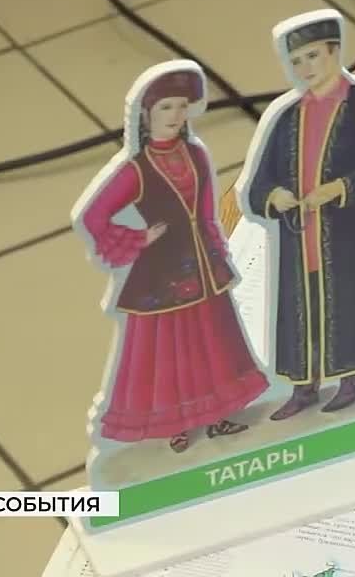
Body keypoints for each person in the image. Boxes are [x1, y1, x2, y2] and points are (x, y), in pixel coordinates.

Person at [73, 63, 269, 454]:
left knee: (211, 341)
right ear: (146, 114)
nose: (175, 115)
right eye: (166, 107)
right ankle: (176, 425)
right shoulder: (136, 169)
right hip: (161, 274)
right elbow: (91, 217)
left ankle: (217, 415)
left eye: (181, 106)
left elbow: (208, 213)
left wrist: (219, 253)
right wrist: (138, 238)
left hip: (203, 266)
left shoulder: (196, 154)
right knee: (170, 352)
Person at [241, 11, 355, 419]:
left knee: (347, 299)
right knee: (301, 306)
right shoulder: (288, 117)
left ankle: (351, 379)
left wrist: (338, 188)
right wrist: (275, 195)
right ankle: (304, 386)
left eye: (312, 56)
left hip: (349, 230)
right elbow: (259, 183)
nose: (304, 68)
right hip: (298, 234)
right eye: (296, 61)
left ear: (335, 50)